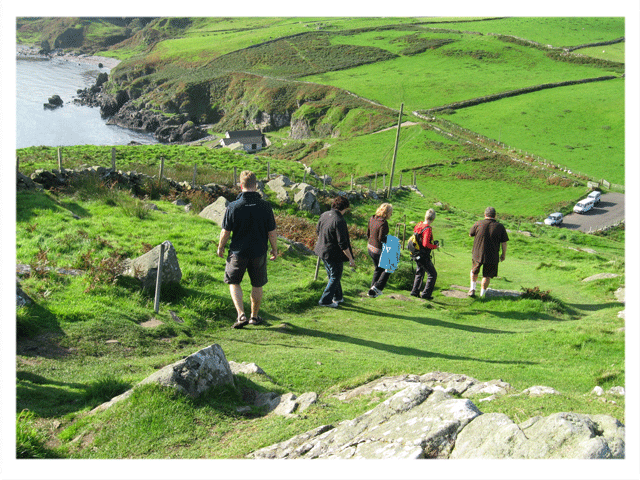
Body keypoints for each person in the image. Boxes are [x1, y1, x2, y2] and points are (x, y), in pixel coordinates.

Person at [217, 171, 278, 328]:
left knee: (234, 281)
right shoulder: (265, 206)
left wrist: (221, 246)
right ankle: (254, 317)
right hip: (259, 252)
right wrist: (274, 249)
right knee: (257, 285)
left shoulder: (233, 206)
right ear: (256, 185)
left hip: (238, 252)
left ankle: (241, 315)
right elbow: (272, 232)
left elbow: (225, 231)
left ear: (241, 185)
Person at [314, 195, 356, 307]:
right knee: (335, 276)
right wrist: (350, 258)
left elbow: (318, 231)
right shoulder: (339, 220)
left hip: (321, 250)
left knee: (332, 275)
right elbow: (343, 243)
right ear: (344, 208)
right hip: (332, 253)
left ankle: (338, 297)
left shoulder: (324, 215)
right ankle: (325, 301)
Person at [468, 206, 509, 297]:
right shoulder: (500, 226)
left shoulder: (479, 223)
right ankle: (482, 295)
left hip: (477, 253)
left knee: (474, 271)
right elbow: (504, 243)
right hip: (492, 255)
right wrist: (503, 254)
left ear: (485, 214)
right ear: (495, 216)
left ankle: (472, 289)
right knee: (487, 275)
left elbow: (470, 234)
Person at [409, 208, 440, 300]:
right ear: (433, 219)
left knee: (420, 272)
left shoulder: (419, 225)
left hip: (416, 253)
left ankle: (414, 292)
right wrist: (435, 247)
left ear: (425, 216)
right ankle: (426, 294)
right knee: (432, 274)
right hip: (423, 255)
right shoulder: (427, 229)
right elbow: (425, 244)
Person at [367, 203, 393, 298]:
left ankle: (372, 290)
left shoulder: (372, 218)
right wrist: (391, 241)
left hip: (370, 247)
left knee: (378, 269)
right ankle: (377, 287)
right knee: (389, 268)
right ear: (387, 213)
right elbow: (381, 238)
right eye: (391, 213)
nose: (391, 215)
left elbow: (368, 233)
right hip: (378, 250)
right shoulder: (383, 223)